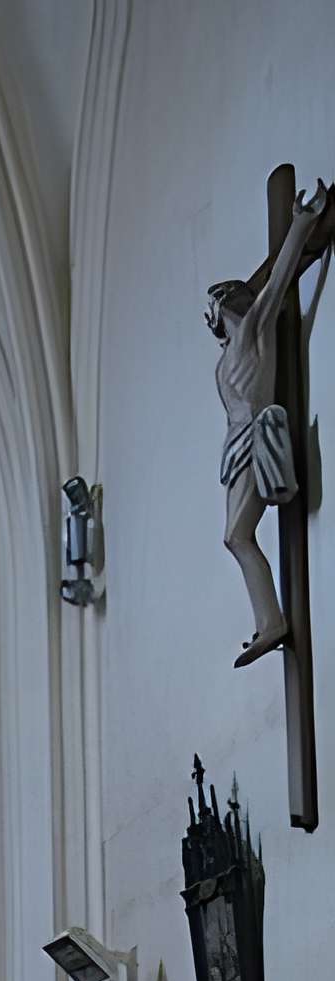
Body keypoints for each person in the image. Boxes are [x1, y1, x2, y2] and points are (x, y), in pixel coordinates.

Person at [206, 179, 327, 668]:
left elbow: (277, 282)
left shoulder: (256, 329)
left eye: (227, 299)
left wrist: (301, 223)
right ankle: (269, 620)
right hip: (238, 447)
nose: (227, 306)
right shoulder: (228, 353)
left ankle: (272, 622)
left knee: (237, 536)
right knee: (233, 537)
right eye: (223, 303)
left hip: (257, 437)